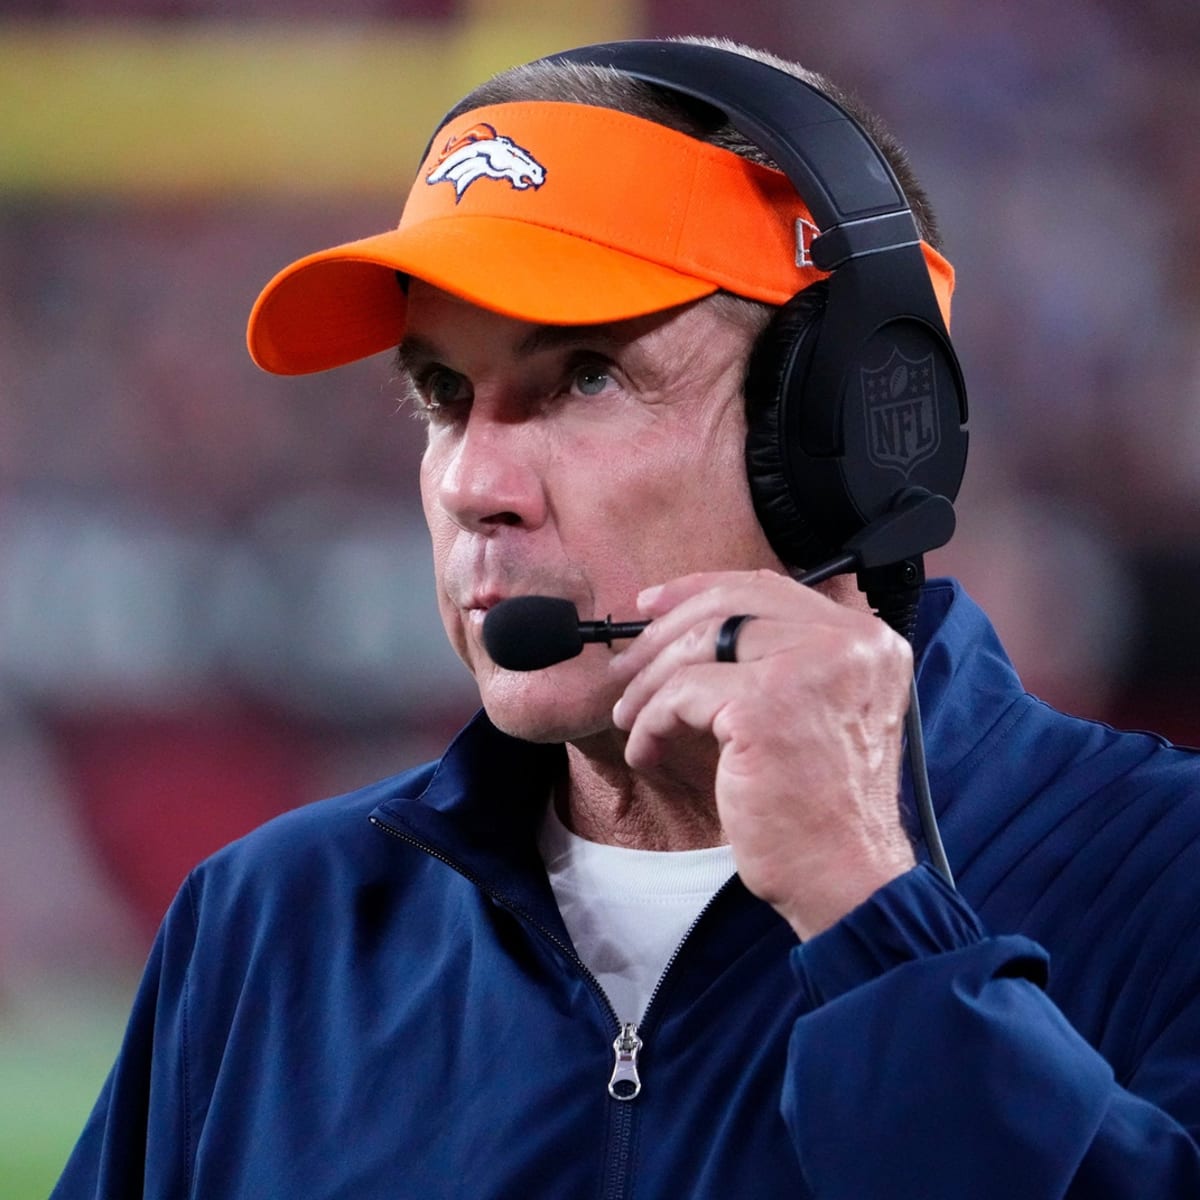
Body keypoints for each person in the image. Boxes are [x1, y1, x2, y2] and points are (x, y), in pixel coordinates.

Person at [54, 35, 1200, 1199]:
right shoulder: (270, 926)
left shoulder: (1168, 876)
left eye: (585, 376)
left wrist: (871, 913)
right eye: (443, 395)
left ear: (852, 427)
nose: (469, 484)